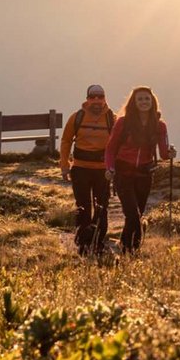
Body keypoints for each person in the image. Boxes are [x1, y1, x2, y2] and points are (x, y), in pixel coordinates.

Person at [105, 86, 176, 253]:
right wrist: (110, 168)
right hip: (123, 173)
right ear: (134, 103)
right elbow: (110, 148)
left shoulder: (160, 126)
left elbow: (163, 154)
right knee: (133, 215)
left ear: (153, 102)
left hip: (144, 175)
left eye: (147, 99)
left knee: (136, 215)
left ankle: (124, 247)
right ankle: (132, 251)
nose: (144, 102)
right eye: (140, 99)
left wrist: (171, 153)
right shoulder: (123, 123)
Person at [60, 84, 114, 255]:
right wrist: (64, 166)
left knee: (101, 207)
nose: (96, 100)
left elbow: (118, 144)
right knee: (83, 206)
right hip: (80, 169)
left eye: (100, 96)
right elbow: (66, 141)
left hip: (103, 171)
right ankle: (83, 242)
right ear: (87, 99)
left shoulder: (112, 119)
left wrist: (115, 168)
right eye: (93, 97)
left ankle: (97, 242)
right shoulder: (77, 117)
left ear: (105, 98)